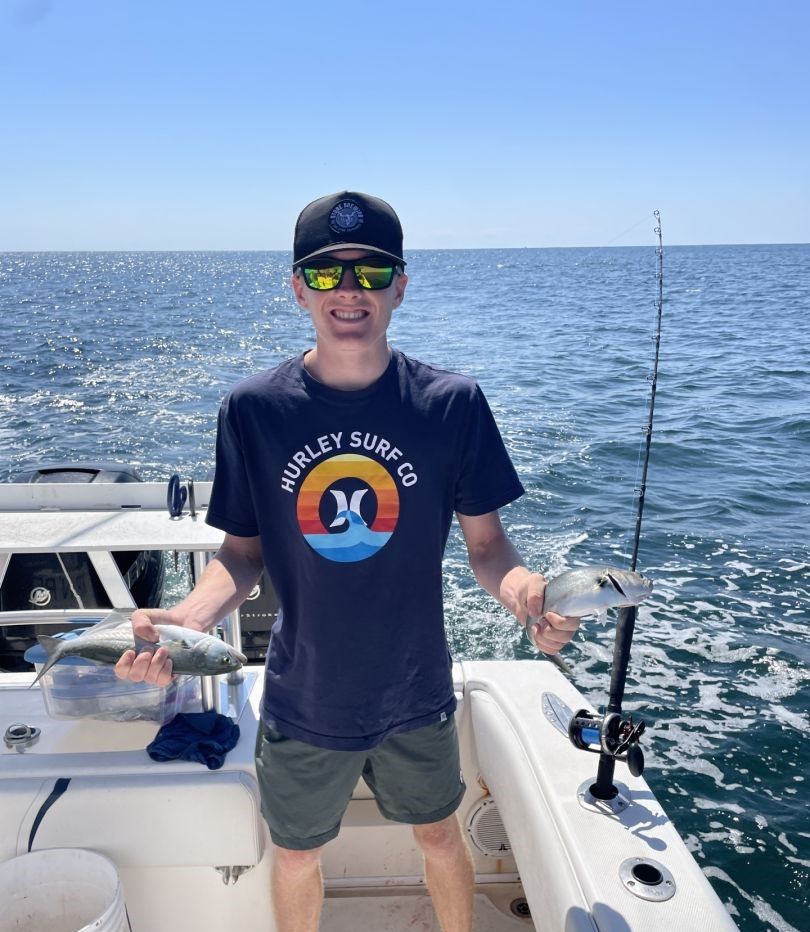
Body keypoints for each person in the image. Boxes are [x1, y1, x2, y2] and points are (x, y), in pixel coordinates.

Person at [115, 191, 581, 932]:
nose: (349, 291)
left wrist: (527, 592)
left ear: (400, 284)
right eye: (326, 275)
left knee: (437, 834)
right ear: (298, 288)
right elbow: (240, 554)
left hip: (415, 686)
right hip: (306, 694)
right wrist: (187, 620)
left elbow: (488, 546)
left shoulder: (453, 404)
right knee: (296, 854)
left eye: (370, 272)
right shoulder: (252, 410)